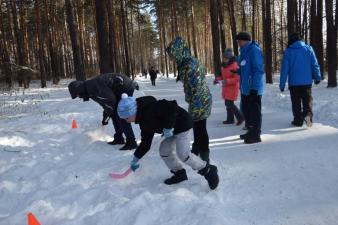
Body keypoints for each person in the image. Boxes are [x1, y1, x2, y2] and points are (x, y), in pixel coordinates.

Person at [117, 94, 219, 190]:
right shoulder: (143, 122)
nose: (127, 121)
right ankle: (179, 173)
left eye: (126, 118)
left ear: (132, 112)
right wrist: (136, 158)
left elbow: (172, 107)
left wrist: (167, 127)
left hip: (182, 124)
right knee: (164, 151)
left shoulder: (152, 107)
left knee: (183, 154)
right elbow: (145, 143)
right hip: (171, 130)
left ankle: (208, 169)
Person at [166, 37, 212, 163]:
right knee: (198, 126)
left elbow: (196, 87)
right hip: (198, 99)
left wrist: (196, 107)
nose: (171, 59)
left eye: (172, 55)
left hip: (200, 101)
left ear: (178, 52)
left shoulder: (190, 65)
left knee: (200, 128)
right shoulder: (186, 62)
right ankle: (196, 149)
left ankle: (205, 156)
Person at [68, 73, 139, 150]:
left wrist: (108, 113)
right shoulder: (90, 90)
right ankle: (119, 138)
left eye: (77, 95)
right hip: (118, 90)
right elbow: (104, 103)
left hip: (125, 87)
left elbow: (111, 100)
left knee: (121, 114)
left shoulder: (93, 88)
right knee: (114, 114)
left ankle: (131, 142)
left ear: (79, 90)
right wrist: (106, 115)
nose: (79, 97)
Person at [280, 33, 321, 127]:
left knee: (296, 103)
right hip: (306, 82)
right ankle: (308, 116)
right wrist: (317, 77)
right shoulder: (308, 49)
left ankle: (298, 120)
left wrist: (282, 85)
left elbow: (284, 70)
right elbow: (314, 64)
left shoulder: (288, 51)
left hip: (294, 83)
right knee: (307, 101)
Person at [236, 32, 265, 144]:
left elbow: (258, 70)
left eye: (239, 41)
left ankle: (256, 135)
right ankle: (250, 131)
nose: (238, 43)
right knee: (247, 111)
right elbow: (245, 68)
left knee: (254, 112)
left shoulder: (253, 50)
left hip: (253, 88)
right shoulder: (244, 51)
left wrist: (255, 88)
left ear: (245, 40)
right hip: (245, 88)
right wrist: (237, 71)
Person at [215, 48, 244, 125]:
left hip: (232, 88)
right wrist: (217, 79)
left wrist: (227, 81)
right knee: (227, 104)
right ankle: (230, 119)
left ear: (230, 59)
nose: (224, 59)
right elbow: (223, 77)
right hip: (226, 88)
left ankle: (240, 117)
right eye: (223, 58)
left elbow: (237, 78)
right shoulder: (224, 66)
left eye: (226, 58)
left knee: (229, 104)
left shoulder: (234, 66)